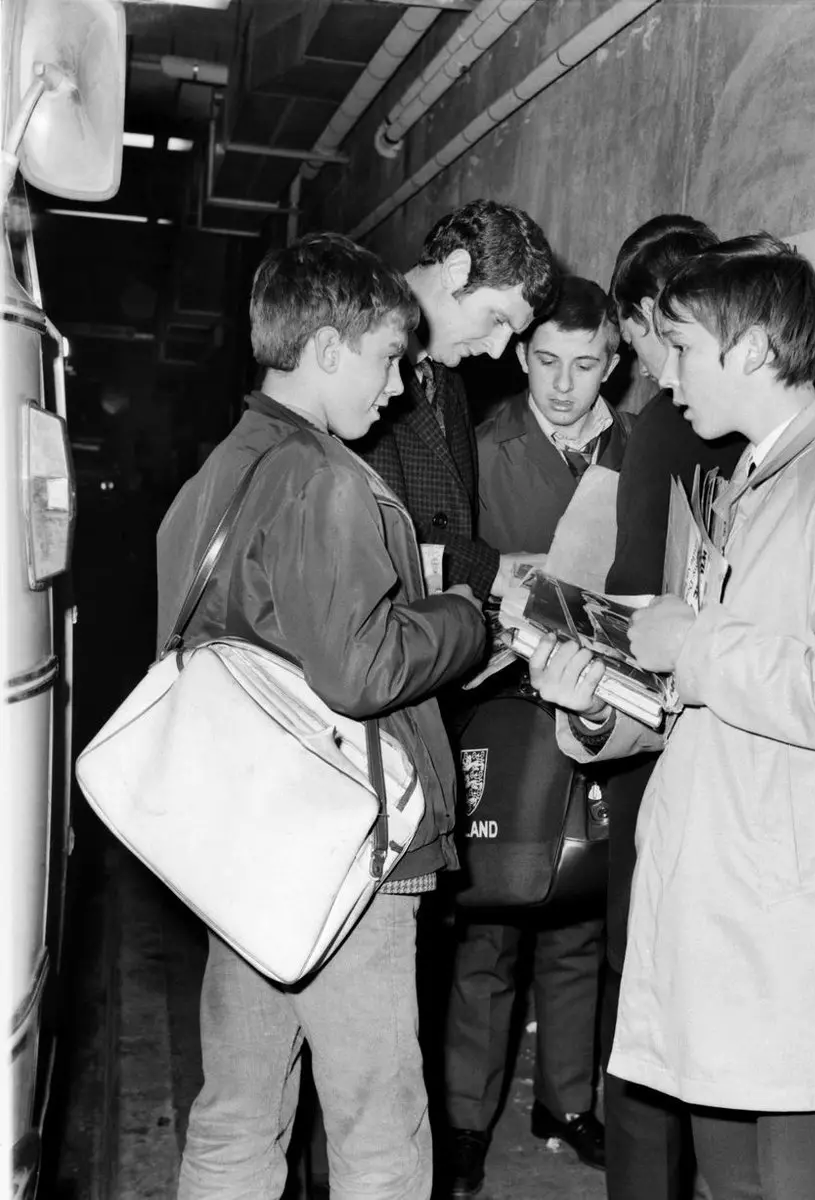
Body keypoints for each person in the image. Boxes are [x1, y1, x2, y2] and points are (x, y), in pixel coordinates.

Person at [530, 235, 815, 1200]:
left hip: (807, 950)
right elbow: (712, 701)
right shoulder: (754, 486)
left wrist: (696, 644)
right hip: (739, 931)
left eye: (682, 348)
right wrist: (599, 706)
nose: (664, 374)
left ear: (753, 350)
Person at [160, 232, 487, 1200]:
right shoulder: (326, 479)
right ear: (329, 347)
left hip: (241, 849)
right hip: (346, 854)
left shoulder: (214, 474)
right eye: (387, 359)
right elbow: (359, 667)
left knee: (236, 1114)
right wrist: (463, 621)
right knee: (379, 1134)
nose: (397, 387)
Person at [443, 276, 631, 1198]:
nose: (562, 385)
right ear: (520, 355)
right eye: (546, 361)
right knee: (492, 915)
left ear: (614, 363)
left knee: (579, 913)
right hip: (504, 705)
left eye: (584, 365)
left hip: (602, 708)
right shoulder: (480, 451)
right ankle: (465, 1119)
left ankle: (564, 1101)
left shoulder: (638, 451)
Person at [601, 215, 745, 1200]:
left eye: (638, 336)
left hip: (658, 743)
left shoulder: (659, 426)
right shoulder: (764, 437)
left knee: (640, 992)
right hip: (742, 744)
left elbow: (631, 595)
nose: (645, 364)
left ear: (657, 313)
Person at [356, 198, 561, 602]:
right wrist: (491, 570)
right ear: (456, 270)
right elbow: (365, 535)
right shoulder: (355, 348)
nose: (498, 350)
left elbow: (446, 521)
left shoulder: (448, 373)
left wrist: (500, 565)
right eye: (498, 319)